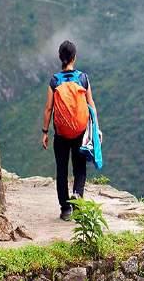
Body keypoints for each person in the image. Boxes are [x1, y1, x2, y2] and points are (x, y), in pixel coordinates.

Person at [42, 40, 102, 220]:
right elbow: (91, 105)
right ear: (74, 57)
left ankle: (65, 209)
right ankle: (77, 200)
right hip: (80, 132)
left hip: (60, 134)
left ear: (61, 58)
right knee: (80, 168)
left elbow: (48, 109)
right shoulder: (83, 78)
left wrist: (44, 132)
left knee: (61, 170)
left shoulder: (55, 81)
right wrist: (96, 130)